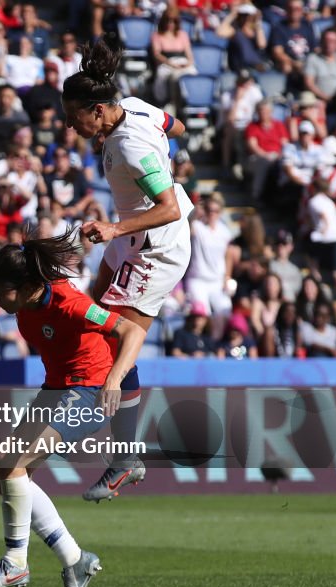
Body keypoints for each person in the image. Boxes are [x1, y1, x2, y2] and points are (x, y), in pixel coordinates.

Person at [0, 230, 145, 587]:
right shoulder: (23, 289)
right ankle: (75, 559)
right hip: (56, 389)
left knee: (14, 464)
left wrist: (115, 379)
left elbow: (130, 331)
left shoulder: (71, 303)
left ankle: (15, 561)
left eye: (1, 293)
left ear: (27, 285)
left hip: (88, 390)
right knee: (3, 476)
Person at [62, 39, 194, 502]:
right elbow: (175, 124)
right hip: (136, 240)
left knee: (115, 337)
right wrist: (179, 157)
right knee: (92, 317)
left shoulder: (131, 144)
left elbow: (170, 208)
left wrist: (115, 229)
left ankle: (124, 458)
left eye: (74, 115)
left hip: (152, 248)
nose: (70, 124)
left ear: (97, 111)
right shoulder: (135, 108)